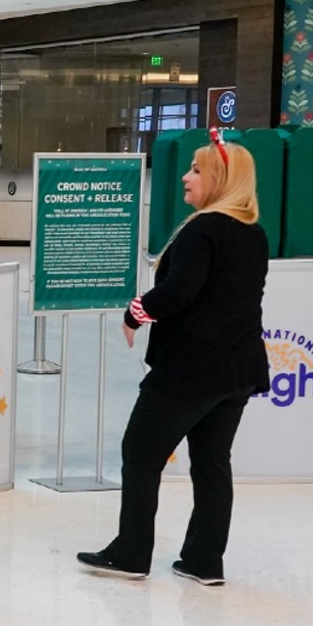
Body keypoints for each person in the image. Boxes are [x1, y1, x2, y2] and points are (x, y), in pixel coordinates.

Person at [80, 131, 269, 585]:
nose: (186, 177)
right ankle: (205, 560)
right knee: (211, 461)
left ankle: (131, 553)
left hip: (190, 370)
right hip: (237, 370)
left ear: (220, 178)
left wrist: (134, 312)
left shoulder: (204, 230)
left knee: (141, 452)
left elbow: (179, 292)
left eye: (197, 170)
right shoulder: (253, 233)